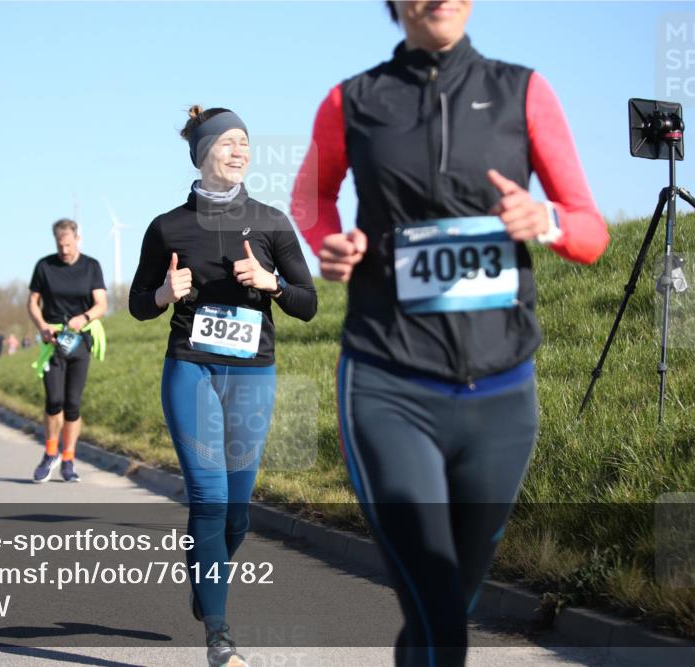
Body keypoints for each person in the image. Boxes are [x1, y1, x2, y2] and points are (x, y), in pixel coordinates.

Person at [289, 3, 609, 664]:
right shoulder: (350, 99)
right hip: (387, 381)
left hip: (501, 393)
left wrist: (543, 219)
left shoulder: (524, 90)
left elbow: (590, 229)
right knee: (439, 608)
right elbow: (309, 198)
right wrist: (332, 243)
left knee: (446, 606)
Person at [129, 106, 317, 667]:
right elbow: (140, 304)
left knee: (238, 512)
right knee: (209, 499)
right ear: (202, 152)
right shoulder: (167, 227)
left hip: (252, 373)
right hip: (191, 367)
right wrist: (164, 293)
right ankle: (220, 636)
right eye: (228, 142)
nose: (239, 151)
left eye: (245, 142)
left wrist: (272, 282)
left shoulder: (271, 221)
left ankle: (204, 577)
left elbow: (309, 304)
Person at [27, 218, 107, 483]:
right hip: (53, 341)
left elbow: (101, 304)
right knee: (53, 400)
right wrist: (41, 326)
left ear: (78, 239)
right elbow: (32, 302)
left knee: (72, 403)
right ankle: (50, 454)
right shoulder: (44, 266)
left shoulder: (91, 266)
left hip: (80, 340)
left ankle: (69, 459)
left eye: (69, 245)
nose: (65, 250)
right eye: (60, 246)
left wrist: (83, 318)